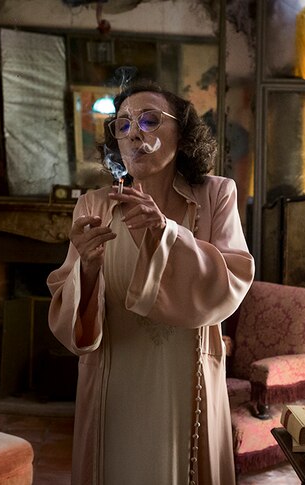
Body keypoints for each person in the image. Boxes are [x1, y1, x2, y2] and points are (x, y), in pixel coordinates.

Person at [47, 82, 255, 485]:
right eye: (122, 125)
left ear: (183, 132)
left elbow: (232, 279)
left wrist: (168, 234)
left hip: (185, 379)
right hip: (115, 376)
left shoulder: (216, 195)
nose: (134, 133)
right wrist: (87, 269)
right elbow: (69, 310)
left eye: (149, 120)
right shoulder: (94, 204)